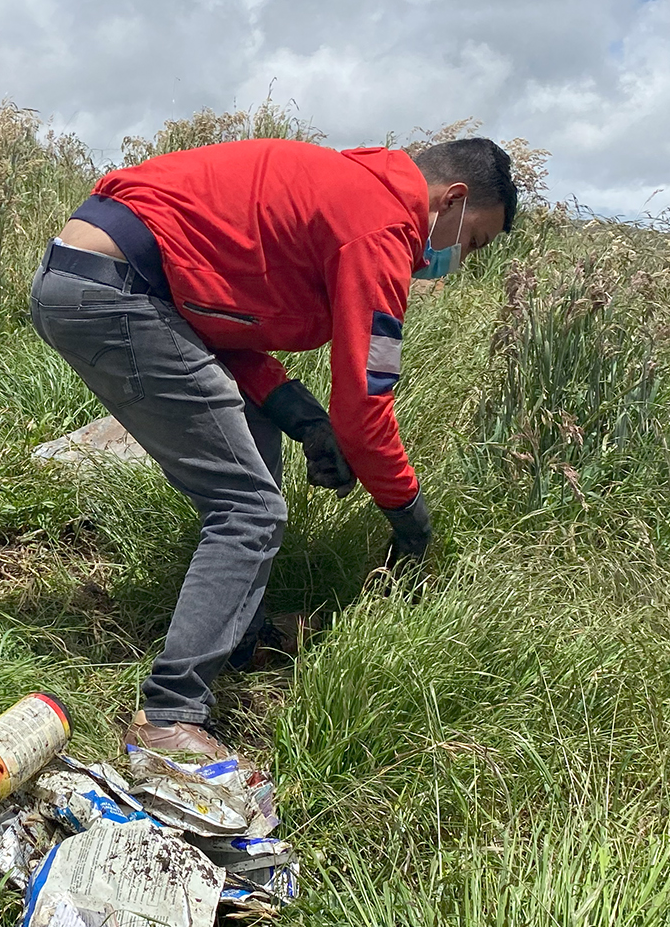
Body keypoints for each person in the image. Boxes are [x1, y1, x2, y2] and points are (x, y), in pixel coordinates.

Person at [29, 136, 517, 759]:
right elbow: (366, 404)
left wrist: (299, 414)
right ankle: (168, 717)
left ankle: (241, 639)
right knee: (249, 508)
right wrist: (408, 515)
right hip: (117, 292)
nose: (456, 260)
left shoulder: (344, 192)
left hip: (93, 278)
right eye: (471, 241)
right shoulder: (380, 226)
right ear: (452, 199)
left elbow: (214, 318)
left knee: (258, 440)